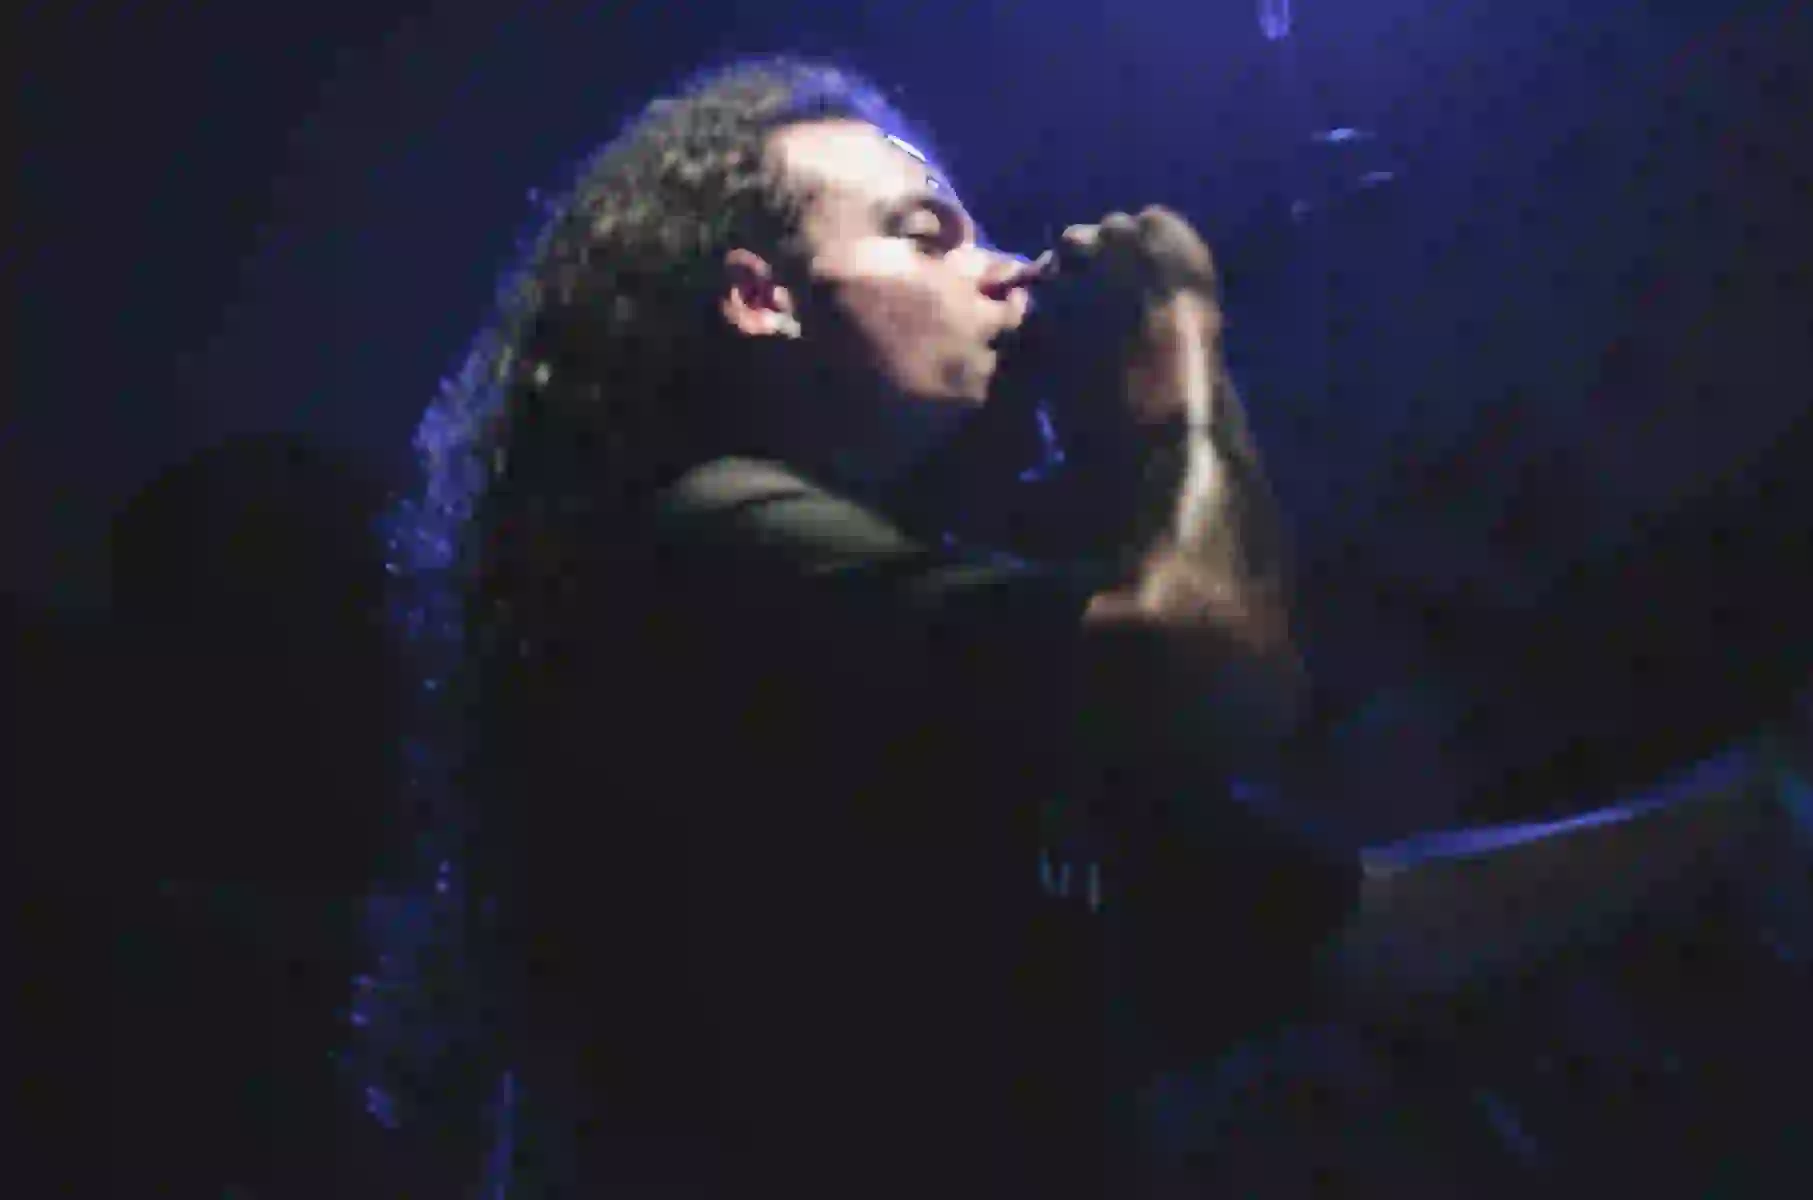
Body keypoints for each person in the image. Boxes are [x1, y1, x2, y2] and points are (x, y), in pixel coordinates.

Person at [382, 55, 1368, 1199]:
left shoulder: (887, 611)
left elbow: (1331, 924)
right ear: (762, 298)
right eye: (925, 236)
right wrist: (1178, 350)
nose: (1003, 271)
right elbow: (1214, 667)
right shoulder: (719, 541)